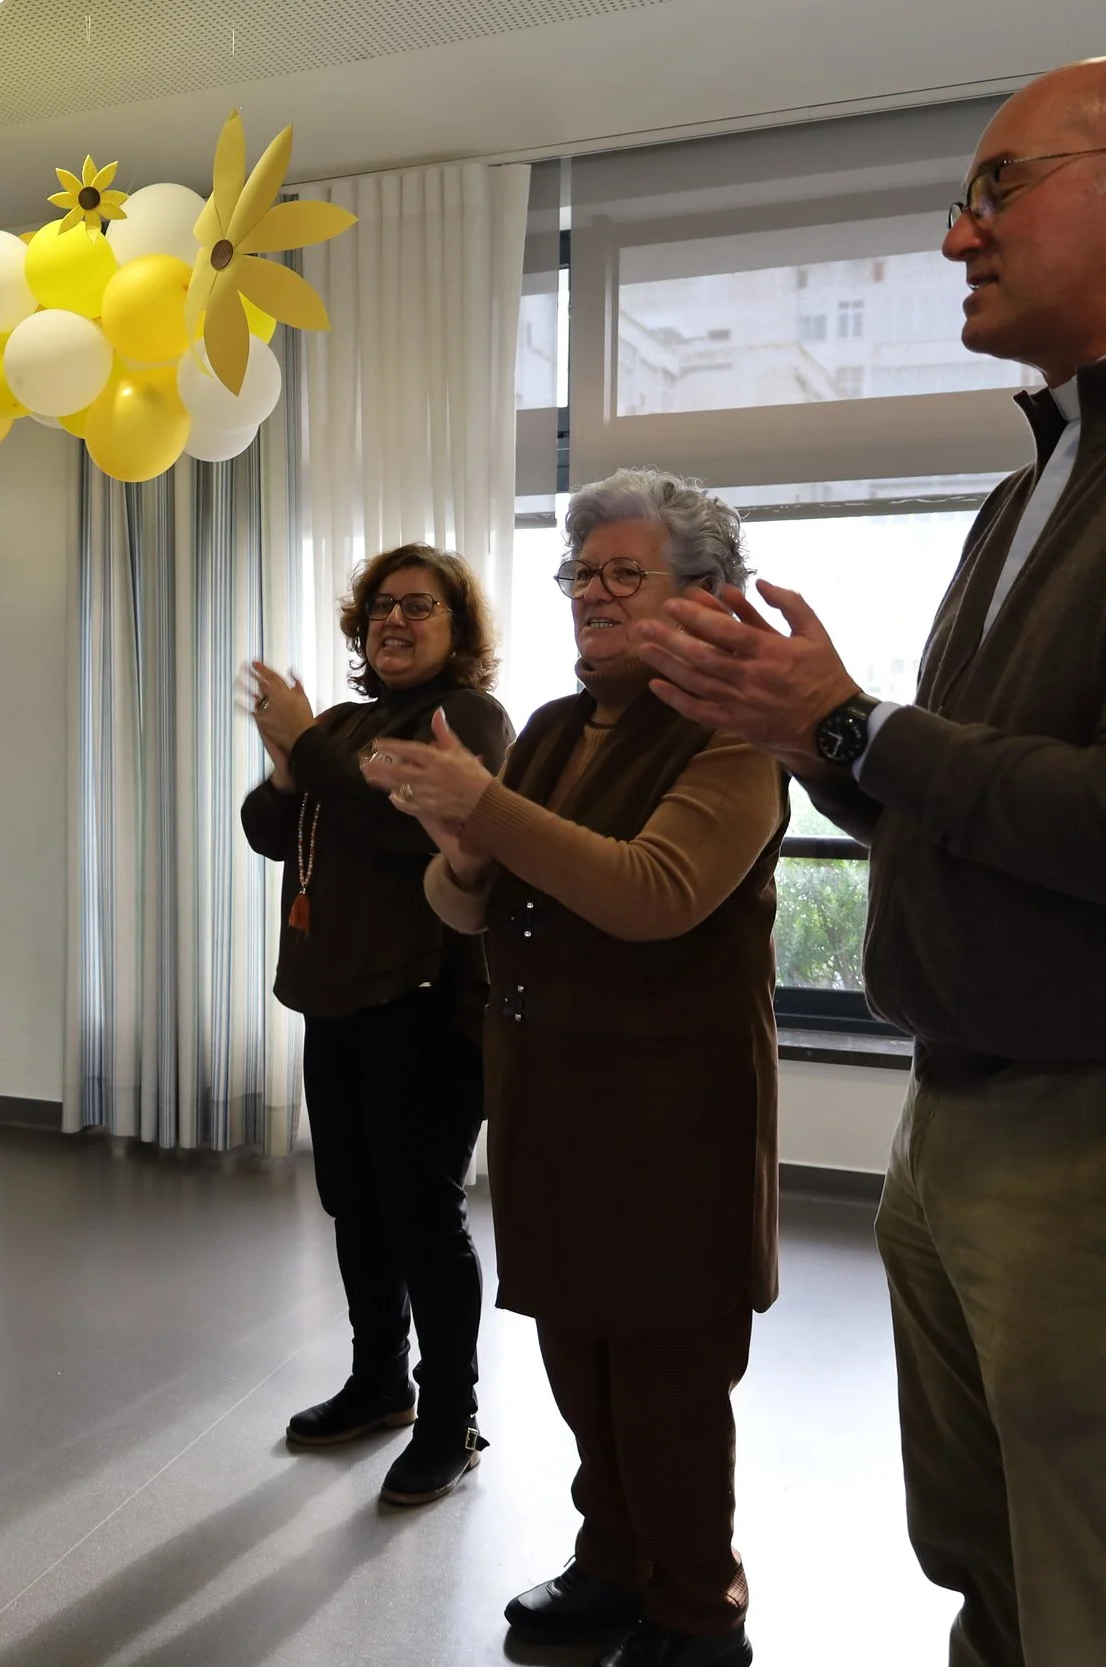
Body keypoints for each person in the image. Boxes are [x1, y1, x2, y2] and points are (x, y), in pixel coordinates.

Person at [627, 52, 1106, 1667]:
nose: (955, 237)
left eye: (995, 188)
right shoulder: (1037, 484)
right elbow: (970, 811)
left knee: (1102, 1611)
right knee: (991, 1568)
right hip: (981, 1107)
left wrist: (851, 722)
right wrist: (814, 740)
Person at [368, 470, 786, 1667]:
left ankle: (698, 1607)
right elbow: (466, 904)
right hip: (551, 1099)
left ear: (702, 594)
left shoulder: (734, 733)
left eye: (623, 574)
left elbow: (655, 892)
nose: (590, 594)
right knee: (578, 1352)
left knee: (666, 1373)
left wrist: (487, 811)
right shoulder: (554, 726)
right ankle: (611, 1560)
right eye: (580, 573)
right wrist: (461, 848)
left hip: (671, 1114)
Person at [238, 543, 514, 1506]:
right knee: (355, 1204)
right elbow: (270, 831)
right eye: (381, 607)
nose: (394, 620)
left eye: (419, 606)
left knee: (422, 1216)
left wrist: (307, 748)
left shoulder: (464, 718)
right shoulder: (346, 725)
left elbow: (405, 818)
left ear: (457, 628)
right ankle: (380, 1381)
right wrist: (289, 768)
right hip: (337, 1001)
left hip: (428, 1007)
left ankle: (452, 1418)